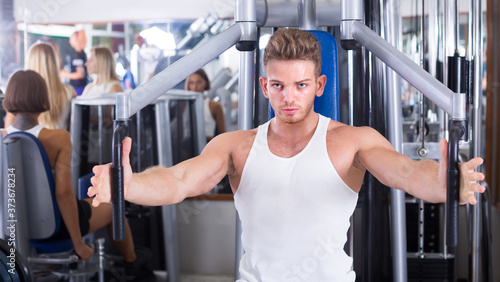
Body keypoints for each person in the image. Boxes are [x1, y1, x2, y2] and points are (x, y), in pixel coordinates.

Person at [88, 29, 485, 281]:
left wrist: (443, 182)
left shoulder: (352, 142)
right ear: (263, 85)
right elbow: (179, 182)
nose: (289, 97)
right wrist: (129, 182)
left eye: (300, 84)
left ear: (319, 84)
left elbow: (405, 172)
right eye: (278, 85)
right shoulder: (235, 146)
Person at [1, 70, 152, 279]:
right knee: (113, 206)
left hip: (12, 227)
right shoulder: (58, 138)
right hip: (55, 225)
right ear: (42, 97)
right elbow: (63, 194)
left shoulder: (1, 138)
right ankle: (132, 264)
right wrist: (78, 244)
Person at [3, 43, 76, 130]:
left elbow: (8, 130)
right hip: (58, 142)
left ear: (30, 62)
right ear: (54, 62)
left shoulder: (20, 91)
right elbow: (71, 128)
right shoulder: (69, 91)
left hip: (27, 142)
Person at [185, 68, 226, 141]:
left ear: (205, 83)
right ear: (188, 85)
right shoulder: (182, 106)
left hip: (207, 146)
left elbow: (222, 135)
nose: (195, 87)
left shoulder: (214, 106)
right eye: (191, 83)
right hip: (187, 147)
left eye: (199, 82)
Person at [60, 30, 88, 96]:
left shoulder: (77, 55)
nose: (69, 41)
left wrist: (66, 74)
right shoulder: (80, 53)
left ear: (76, 39)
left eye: (71, 39)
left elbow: (80, 74)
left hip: (78, 88)